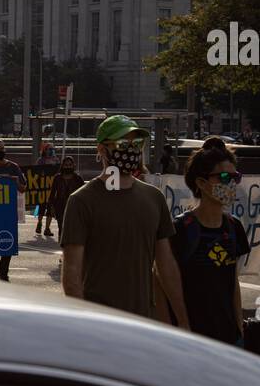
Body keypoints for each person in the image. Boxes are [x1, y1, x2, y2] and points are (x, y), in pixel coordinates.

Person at [60, 115, 190, 326]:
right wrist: (84, 328)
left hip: (145, 324)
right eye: (123, 143)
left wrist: (184, 321)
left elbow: (166, 266)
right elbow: (72, 275)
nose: (132, 149)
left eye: (137, 143)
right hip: (101, 324)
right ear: (102, 149)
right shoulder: (81, 201)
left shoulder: (154, 198)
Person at [168, 138, 249, 346]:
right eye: (223, 177)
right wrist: (181, 327)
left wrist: (239, 328)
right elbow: (161, 285)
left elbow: (233, 282)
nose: (231, 183)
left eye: (235, 177)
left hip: (227, 336)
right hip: (189, 337)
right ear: (201, 183)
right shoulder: (181, 228)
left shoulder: (234, 227)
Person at [0, 140, 27, 282]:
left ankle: (4, 273)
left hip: (8, 213)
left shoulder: (13, 167)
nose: (1, 150)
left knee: (7, 242)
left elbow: (23, 188)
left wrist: (15, 181)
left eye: (2, 148)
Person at [47, 155, 85, 239]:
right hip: (60, 205)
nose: (68, 166)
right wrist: (51, 207)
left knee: (73, 225)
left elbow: (83, 193)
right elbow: (52, 193)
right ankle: (62, 243)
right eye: (66, 165)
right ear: (62, 166)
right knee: (61, 225)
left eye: (70, 165)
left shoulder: (78, 178)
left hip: (74, 206)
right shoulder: (57, 178)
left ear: (73, 166)